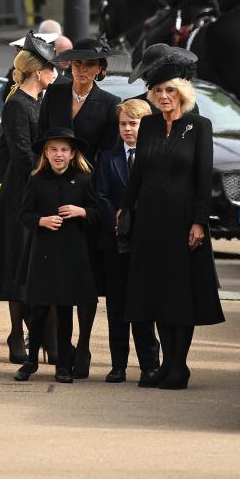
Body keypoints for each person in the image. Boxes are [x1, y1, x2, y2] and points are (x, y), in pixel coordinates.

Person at [119, 45, 225, 390]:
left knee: (180, 295)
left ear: (182, 92)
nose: (163, 97)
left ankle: (179, 365)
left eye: (169, 90)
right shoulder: (147, 126)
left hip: (183, 223)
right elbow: (136, 176)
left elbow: (203, 178)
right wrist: (125, 208)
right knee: (156, 294)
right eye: (158, 91)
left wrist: (199, 222)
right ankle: (164, 364)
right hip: (149, 220)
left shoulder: (199, 126)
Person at [39, 36, 123, 375]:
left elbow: (110, 152)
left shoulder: (110, 102)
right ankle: (62, 347)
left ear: (100, 69)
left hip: (88, 191)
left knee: (86, 277)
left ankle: (85, 346)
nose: (82, 70)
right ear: (69, 65)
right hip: (53, 187)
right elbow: (42, 138)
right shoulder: (55, 93)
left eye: (89, 65)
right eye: (77, 64)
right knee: (57, 275)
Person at [0, 33, 59, 363]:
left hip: (36, 190)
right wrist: (49, 176)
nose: (55, 74)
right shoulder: (17, 104)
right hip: (20, 194)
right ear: (38, 72)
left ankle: (41, 334)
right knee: (17, 263)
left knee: (37, 265)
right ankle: (16, 333)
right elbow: (22, 153)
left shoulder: (38, 102)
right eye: (51, 68)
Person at [13, 128, 101, 383]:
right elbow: (24, 214)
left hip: (72, 255)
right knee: (39, 309)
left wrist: (80, 211)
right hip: (44, 256)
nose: (59, 155)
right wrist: (41, 220)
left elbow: (97, 213)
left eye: (64, 150)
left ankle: (63, 365)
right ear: (46, 153)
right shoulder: (37, 180)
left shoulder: (83, 179)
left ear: (72, 154)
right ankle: (30, 362)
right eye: (54, 150)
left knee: (64, 311)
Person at [96, 99, 161, 385]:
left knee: (144, 306)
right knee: (117, 307)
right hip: (115, 242)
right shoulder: (107, 158)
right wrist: (119, 220)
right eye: (123, 124)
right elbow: (101, 195)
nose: (127, 129)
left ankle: (149, 364)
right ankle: (118, 364)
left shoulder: (155, 157)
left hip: (146, 240)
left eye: (133, 124)